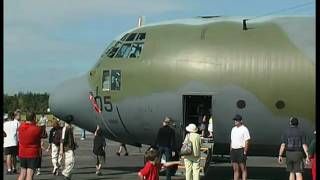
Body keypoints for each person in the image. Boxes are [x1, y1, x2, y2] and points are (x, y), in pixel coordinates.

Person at [17, 112, 42, 180]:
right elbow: (43, 135)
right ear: (34, 118)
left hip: (22, 153)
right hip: (32, 153)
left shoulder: (20, 127)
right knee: (30, 174)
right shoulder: (37, 129)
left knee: (22, 173)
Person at [230, 114, 250, 180]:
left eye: (237, 120)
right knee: (235, 169)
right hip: (234, 150)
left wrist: (245, 151)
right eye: (235, 120)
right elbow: (232, 141)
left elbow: (247, 141)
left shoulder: (244, 129)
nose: (235, 121)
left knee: (243, 168)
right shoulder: (233, 129)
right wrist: (231, 151)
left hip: (241, 150)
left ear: (241, 121)